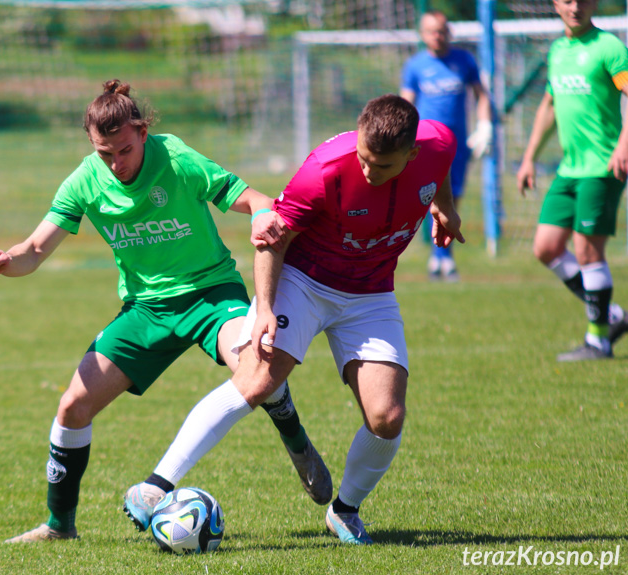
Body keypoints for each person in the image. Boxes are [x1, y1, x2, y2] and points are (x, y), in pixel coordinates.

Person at [0, 79, 332, 542]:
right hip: (146, 310)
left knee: (253, 366)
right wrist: (6, 262)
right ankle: (60, 527)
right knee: (72, 407)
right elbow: (35, 250)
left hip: (210, 293)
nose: (116, 164)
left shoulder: (176, 159)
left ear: (142, 132)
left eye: (124, 150)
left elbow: (253, 199)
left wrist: (264, 215)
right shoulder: (85, 180)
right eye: (105, 153)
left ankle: (295, 437)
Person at [125, 94, 463, 545]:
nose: (368, 172)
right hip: (303, 280)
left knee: (387, 416)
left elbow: (438, 169)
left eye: (382, 167)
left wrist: (445, 206)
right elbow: (272, 240)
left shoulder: (437, 143)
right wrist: (264, 307)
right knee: (255, 383)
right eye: (364, 158)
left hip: (370, 293)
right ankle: (155, 487)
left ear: (411, 153)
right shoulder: (324, 170)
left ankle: (344, 511)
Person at [516, 0, 628, 361]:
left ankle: (598, 340)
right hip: (569, 169)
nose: (575, 6)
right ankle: (611, 315)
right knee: (546, 248)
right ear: (555, 4)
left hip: (603, 167)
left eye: (582, 0)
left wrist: (624, 145)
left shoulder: (609, 47)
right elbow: (548, 105)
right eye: (567, 0)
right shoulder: (558, 49)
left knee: (586, 251)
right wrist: (530, 157)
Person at [401, 9, 492, 282]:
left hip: (457, 145)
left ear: (448, 32)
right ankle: (442, 258)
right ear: (423, 34)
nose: (437, 36)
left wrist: (484, 125)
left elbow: (481, 95)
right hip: (426, 145)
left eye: (442, 31)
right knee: (430, 197)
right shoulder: (415, 65)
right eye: (431, 31)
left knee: (455, 198)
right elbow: (405, 104)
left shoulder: (464, 60)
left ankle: (440, 257)